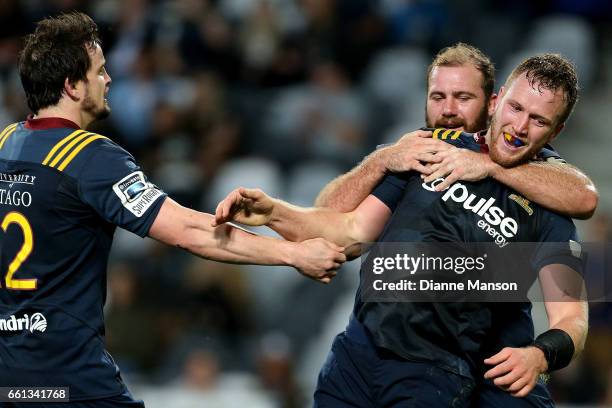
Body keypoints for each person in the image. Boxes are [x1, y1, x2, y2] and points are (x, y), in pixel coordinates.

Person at [0, 12, 346, 407]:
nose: (109, 80)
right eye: (99, 72)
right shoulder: (91, 158)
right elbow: (188, 231)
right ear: (72, 86)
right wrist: (293, 253)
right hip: (70, 375)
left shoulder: (6, 143)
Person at [214, 53, 589, 406]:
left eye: (539, 120)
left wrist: (540, 355)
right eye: (516, 108)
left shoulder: (550, 206)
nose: (520, 127)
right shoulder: (430, 148)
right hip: (357, 352)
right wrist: (275, 213)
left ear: (556, 131)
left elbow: (572, 317)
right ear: (496, 102)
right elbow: (350, 229)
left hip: (436, 368)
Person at [315, 43, 598, 219]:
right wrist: (379, 161)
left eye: (463, 98)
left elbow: (584, 197)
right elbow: (326, 215)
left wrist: (486, 164)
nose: (448, 109)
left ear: (492, 105)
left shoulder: (520, 147)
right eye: (438, 97)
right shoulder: (411, 150)